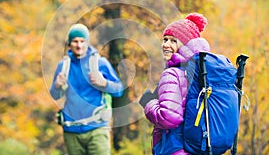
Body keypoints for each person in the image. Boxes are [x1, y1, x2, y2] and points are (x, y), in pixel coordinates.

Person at [139, 13, 211, 155]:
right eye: (165, 39)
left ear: (185, 45)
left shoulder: (172, 73)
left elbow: (168, 118)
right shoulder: (200, 72)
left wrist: (149, 103)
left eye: (173, 41)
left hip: (175, 148)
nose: (166, 44)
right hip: (197, 147)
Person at [49, 23, 124, 155]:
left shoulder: (100, 63)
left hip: (97, 128)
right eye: (75, 41)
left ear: (87, 42)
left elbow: (119, 90)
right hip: (71, 130)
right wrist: (56, 85)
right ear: (69, 44)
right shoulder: (63, 66)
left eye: (82, 41)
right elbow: (55, 95)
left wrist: (104, 83)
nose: (79, 45)